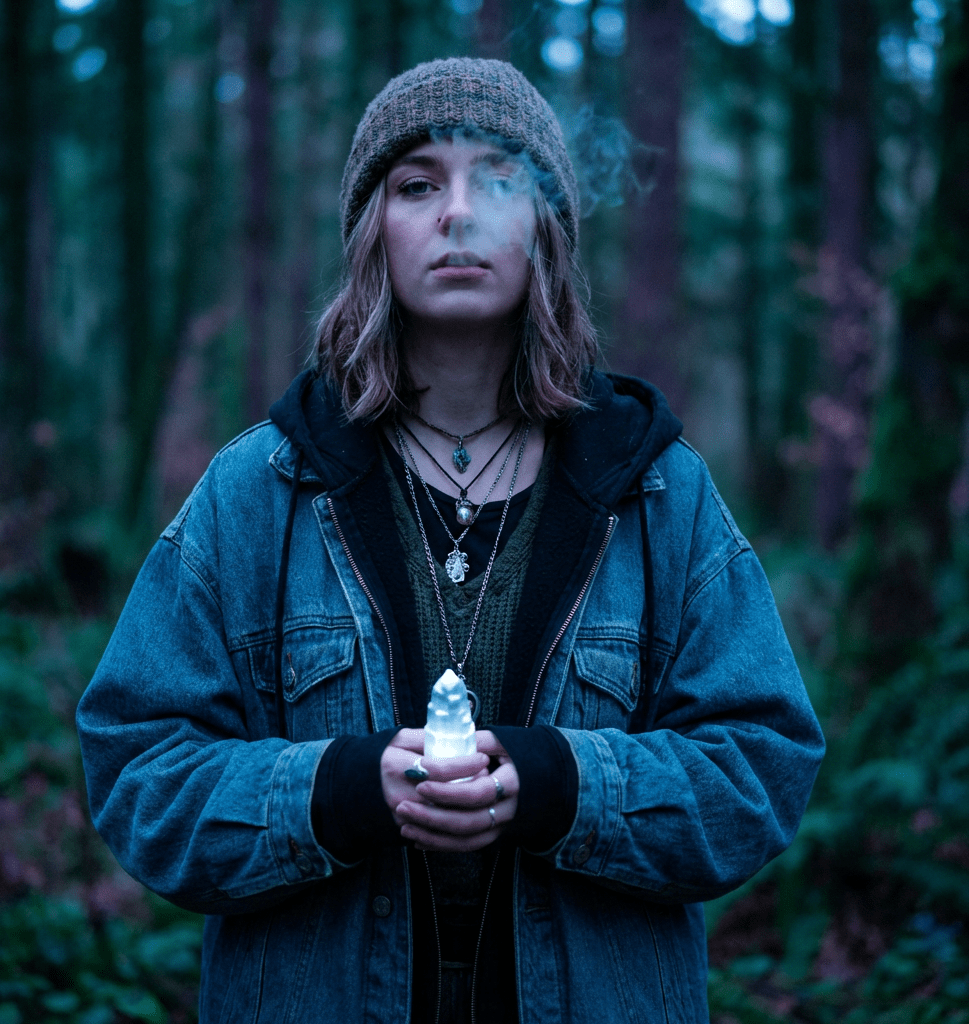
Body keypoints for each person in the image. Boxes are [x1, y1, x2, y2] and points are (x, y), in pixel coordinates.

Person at [77, 58, 825, 1024]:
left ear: (546, 226)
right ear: (371, 233)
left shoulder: (654, 488)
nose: (459, 213)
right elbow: (137, 767)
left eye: (499, 177)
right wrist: (333, 793)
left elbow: (762, 765)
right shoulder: (260, 489)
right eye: (418, 184)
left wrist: (564, 785)